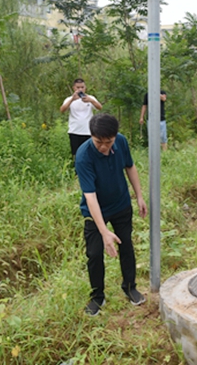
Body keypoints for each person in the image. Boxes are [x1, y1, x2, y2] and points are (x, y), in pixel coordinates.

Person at [75, 113, 148, 316]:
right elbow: (90, 197)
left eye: (109, 142)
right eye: (99, 142)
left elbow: (130, 167)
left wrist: (139, 196)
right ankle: (97, 296)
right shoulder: (84, 156)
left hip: (121, 204)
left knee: (126, 245)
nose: (104, 147)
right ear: (91, 136)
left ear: (115, 137)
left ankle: (130, 286)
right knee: (95, 253)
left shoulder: (121, 142)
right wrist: (104, 231)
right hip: (95, 211)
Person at [60, 78, 103, 159]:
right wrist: (72, 99)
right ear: (74, 88)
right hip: (74, 131)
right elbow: (62, 110)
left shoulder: (90, 98)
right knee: (76, 154)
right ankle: (76, 170)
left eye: (82, 87)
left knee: (89, 154)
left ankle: (89, 170)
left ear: (85, 87)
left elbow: (100, 107)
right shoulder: (69, 99)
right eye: (78, 87)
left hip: (88, 132)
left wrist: (91, 101)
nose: (80, 89)